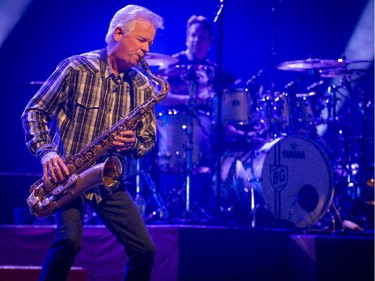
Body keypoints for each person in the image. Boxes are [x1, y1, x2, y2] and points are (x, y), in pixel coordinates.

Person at [21, 5, 164, 281]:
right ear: (118, 33)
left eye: (150, 43)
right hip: (65, 177)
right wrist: (48, 153)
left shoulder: (144, 87)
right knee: (69, 242)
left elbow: (148, 141)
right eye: (142, 41)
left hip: (106, 179)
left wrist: (133, 142)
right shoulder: (77, 68)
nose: (147, 50)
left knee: (144, 250)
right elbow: (34, 111)